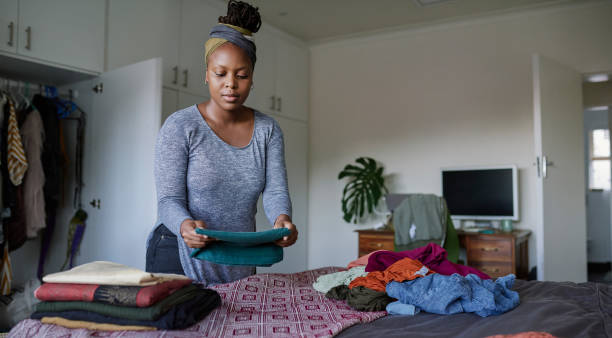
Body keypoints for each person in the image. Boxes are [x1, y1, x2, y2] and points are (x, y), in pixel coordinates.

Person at [146, 0, 298, 285]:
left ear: (252, 79)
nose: (231, 83)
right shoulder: (181, 126)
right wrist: (184, 226)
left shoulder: (268, 130)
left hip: (238, 252)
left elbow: (275, 189)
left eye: (242, 75)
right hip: (179, 248)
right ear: (206, 75)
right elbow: (169, 200)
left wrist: (282, 219)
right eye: (221, 73)